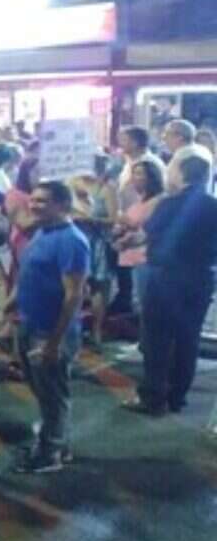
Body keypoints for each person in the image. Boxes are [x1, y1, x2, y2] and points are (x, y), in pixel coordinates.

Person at [124, 156, 217, 415]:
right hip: (200, 278)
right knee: (188, 338)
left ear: (181, 175)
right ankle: (177, 396)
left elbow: (150, 233)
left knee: (157, 339)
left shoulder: (169, 203)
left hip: (167, 276)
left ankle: (153, 397)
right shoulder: (213, 206)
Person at [9, 180, 89, 473]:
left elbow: (74, 294)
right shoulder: (41, 232)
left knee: (53, 393)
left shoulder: (72, 241)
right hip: (29, 324)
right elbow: (28, 274)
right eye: (33, 199)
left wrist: (54, 342)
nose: (33, 205)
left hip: (50, 331)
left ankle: (50, 453)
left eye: (42, 201)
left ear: (62, 205)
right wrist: (9, 306)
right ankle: (56, 441)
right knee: (43, 391)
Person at [70, 156, 117, 349]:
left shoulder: (106, 189)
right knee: (75, 285)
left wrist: (89, 219)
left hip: (97, 243)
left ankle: (96, 330)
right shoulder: (72, 185)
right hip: (76, 240)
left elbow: (113, 219)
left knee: (98, 286)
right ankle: (73, 328)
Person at [112, 160, 166, 317]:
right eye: (133, 173)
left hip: (142, 257)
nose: (134, 178)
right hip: (128, 256)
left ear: (151, 177)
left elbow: (151, 227)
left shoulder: (159, 201)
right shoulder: (138, 201)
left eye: (139, 173)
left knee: (144, 303)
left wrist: (125, 222)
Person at [162, 118, 212, 193]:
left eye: (167, 134)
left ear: (179, 137)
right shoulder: (203, 150)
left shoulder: (184, 154)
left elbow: (171, 185)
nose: (163, 137)